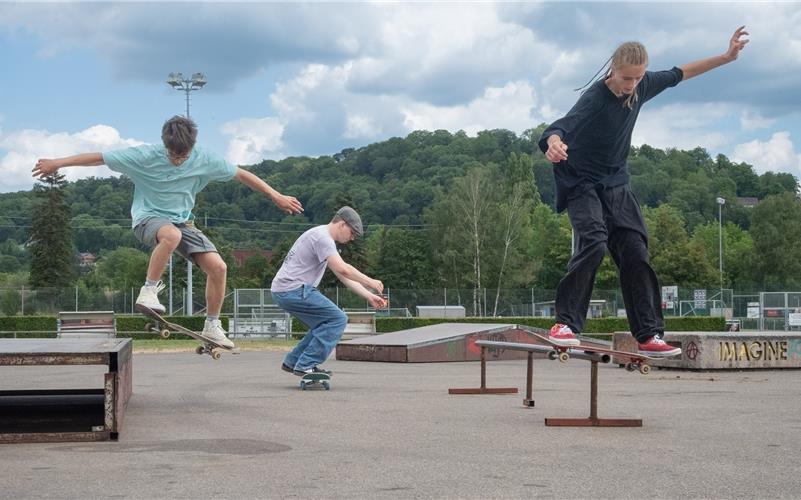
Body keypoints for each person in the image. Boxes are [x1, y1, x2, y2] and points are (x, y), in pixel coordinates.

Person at [538, 26, 749, 356]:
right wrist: (553, 145)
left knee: (636, 252)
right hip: (580, 183)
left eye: (637, 79)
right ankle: (565, 323)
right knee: (593, 243)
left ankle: (648, 334)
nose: (631, 86)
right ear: (613, 71)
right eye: (626, 79)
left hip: (616, 185)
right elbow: (559, 127)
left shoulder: (643, 85)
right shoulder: (595, 97)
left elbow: (683, 72)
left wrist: (726, 56)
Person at [32, 115, 303, 349]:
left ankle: (211, 325)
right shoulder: (144, 155)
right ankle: (149, 291)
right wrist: (57, 163)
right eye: (173, 154)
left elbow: (242, 174)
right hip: (148, 219)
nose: (177, 160)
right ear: (165, 145)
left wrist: (275, 195)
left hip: (184, 222)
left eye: (182, 155)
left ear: (192, 148)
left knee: (219, 268)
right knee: (170, 235)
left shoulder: (205, 158)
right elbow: (98, 158)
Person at [272, 206, 387, 376]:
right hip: (294, 290)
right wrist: (370, 281)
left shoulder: (320, 236)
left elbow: (343, 276)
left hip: (285, 290)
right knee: (338, 319)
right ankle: (306, 364)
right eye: (352, 233)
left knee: (323, 325)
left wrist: (369, 295)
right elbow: (344, 269)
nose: (352, 238)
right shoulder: (322, 238)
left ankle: (293, 361)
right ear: (342, 224)